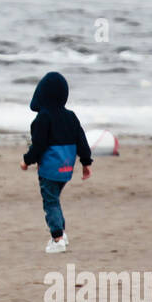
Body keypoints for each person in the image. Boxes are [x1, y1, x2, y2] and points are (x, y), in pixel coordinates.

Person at [20, 71, 92, 253]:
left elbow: (39, 145)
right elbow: (81, 140)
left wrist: (27, 161)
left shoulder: (43, 118)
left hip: (50, 168)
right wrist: (86, 162)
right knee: (55, 199)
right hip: (66, 168)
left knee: (50, 202)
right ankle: (62, 233)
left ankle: (57, 237)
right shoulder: (71, 116)